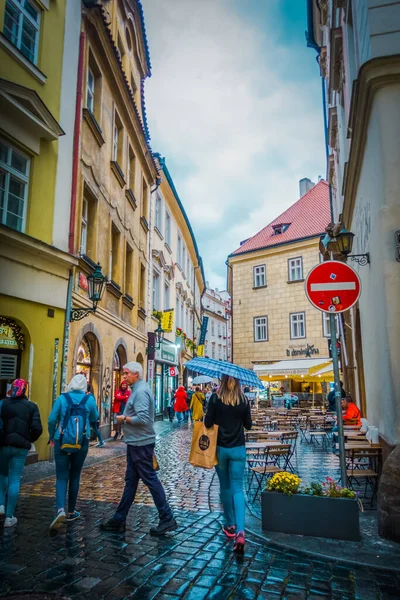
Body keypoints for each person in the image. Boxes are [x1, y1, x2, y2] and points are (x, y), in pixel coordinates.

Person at [100, 362, 176, 535]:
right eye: (123, 373)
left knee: (151, 480)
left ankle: (167, 518)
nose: (124, 376)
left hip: (141, 443)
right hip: (136, 442)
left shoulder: (140, 392)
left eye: (126, 373)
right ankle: (119, 518)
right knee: (131, 482)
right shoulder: (139, 389)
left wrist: (124, 419)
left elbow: (143, 419)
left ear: (136, 374)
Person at [204, 375, 252, 553]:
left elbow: (208, 423)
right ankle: (240, 530)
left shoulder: (215, 398)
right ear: (239, 382)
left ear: (222, 381)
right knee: (238, 489)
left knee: (224, 487)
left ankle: (229, 525)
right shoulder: (244, 400)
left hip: (220, 449)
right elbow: (249, 425)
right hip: (238, 448)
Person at [48, 374, 99, 530]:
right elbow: (95, 417)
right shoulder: (89, 399)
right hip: (81, 442)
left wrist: (52, 436)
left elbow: (51, 419)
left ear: (70, 385)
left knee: (61, 476)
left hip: (61, 441)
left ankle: (60, 510)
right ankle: (71, 511)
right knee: (75, 475)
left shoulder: (62, 398)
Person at [0, 379, 43, 528]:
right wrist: (28, 440)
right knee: (14, 479)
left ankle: (0, 505)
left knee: (2, 474)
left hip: (4, 445)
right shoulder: (32, 406)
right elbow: (37, 428)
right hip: (21, 448)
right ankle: (9, 517)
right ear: (25, 390)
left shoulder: (3, 404)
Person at [87, 383, 105, 447]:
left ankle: (100, 442)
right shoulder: (91, 395)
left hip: (91, 416)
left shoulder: (89, 396)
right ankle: (101, 441)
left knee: (91, 428)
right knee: (94, 429)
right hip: (93, 415)